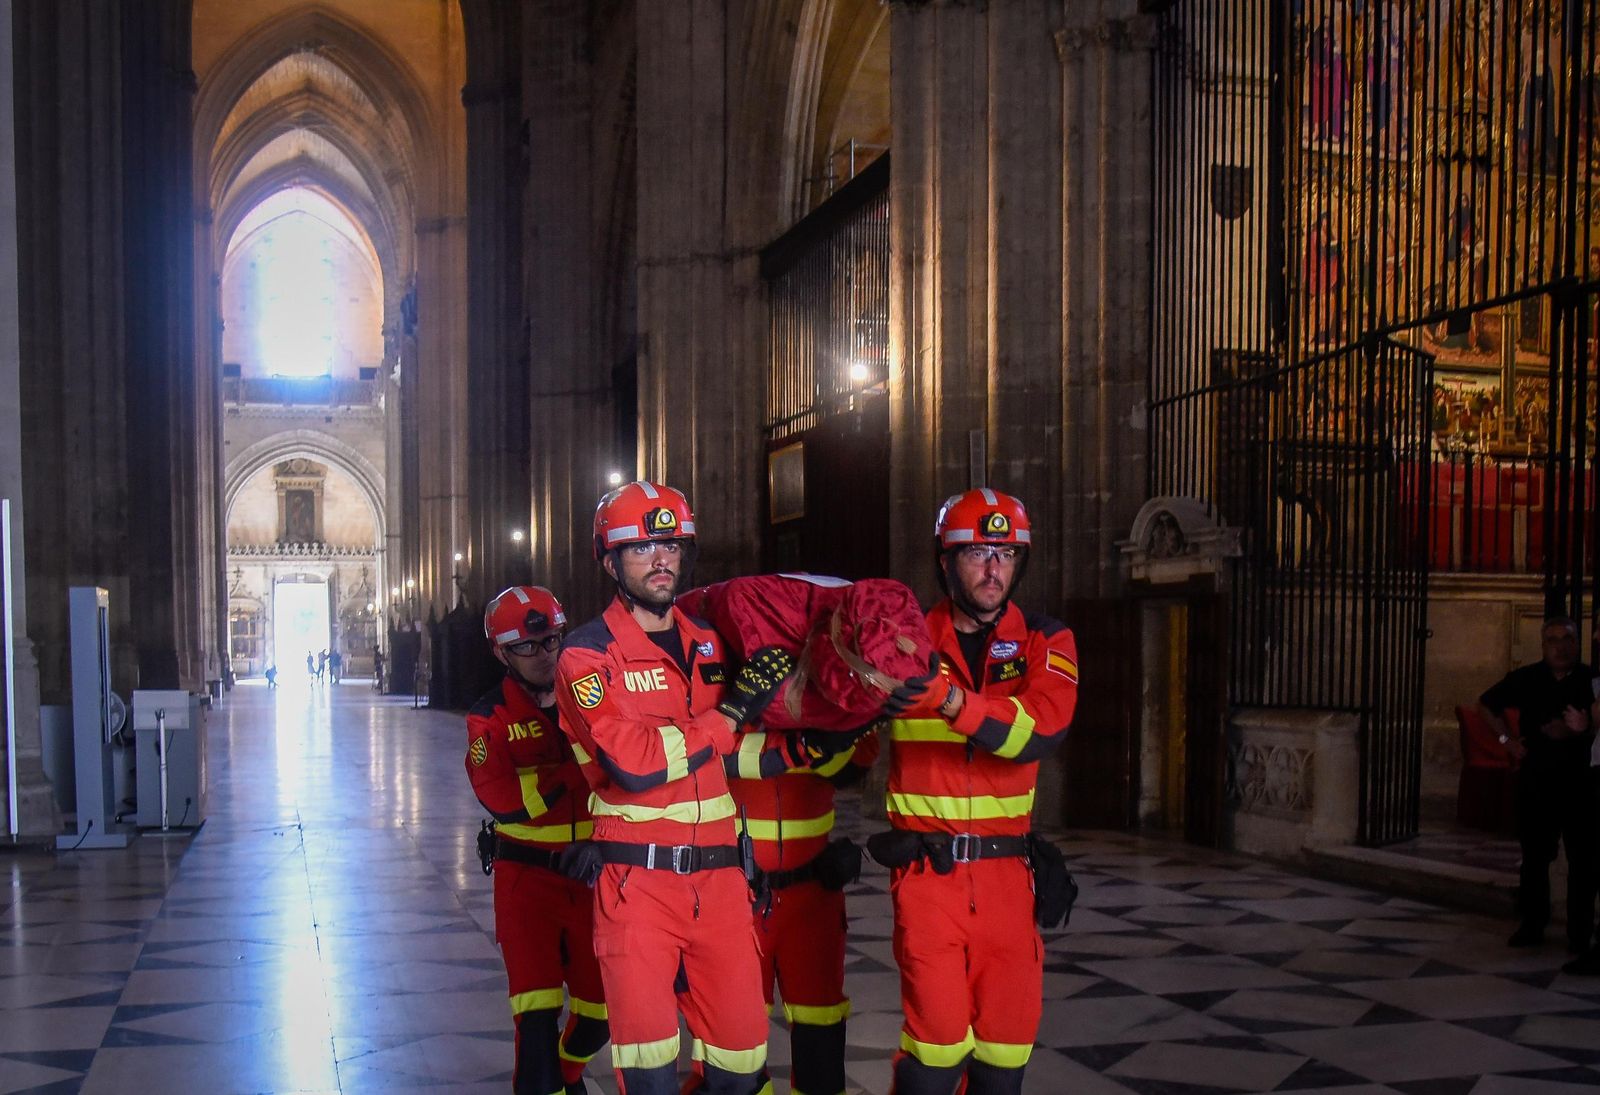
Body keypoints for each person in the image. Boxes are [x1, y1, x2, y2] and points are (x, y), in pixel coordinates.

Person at [554, 480, 792, 1095]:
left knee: (742, 1068)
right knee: (652, 1074)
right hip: (638, 888)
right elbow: (632, 761)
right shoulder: (586, 655)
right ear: (610, 560)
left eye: (672, 545)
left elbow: (725, 754)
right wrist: (732, 713)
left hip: (721, 884)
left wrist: (807, 746)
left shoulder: (708, 642)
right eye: (642, 548)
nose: (662, 560)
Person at [871, 488, 1079, 1095]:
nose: (993, 569)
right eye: (977, 554)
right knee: (933, 1057)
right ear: (945, 561)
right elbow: (851, 731)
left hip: (1010, 883)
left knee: (1002, 1060)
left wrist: (950, 700)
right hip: (928, 879)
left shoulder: (1048, 640)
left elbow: (1040, 731)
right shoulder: (903, 643)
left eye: (1006, 555)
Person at [468, 585, 608, 1095]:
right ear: (500, 652)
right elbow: (501, 795)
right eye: (527, 647)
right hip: (526, 883)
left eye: (551, 641)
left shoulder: (592, 696)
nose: (544, 655)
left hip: (593, 877)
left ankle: (568, 1074)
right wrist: (580, 766)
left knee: (601, 1013)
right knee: (536, 1016)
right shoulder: (489, 717)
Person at [723, 720, 876, 1095]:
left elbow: (858, 761)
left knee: (820, 1030)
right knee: (732, 1041)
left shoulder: (825, 697)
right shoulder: (723, 688)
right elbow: (705, 751)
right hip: (737, 897)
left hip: (813, 897)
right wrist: (797, 743)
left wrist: (809, 725)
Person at [1479, 617, 1596, 952]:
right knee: (1534, 857)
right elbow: (1486, 705)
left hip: (1581, 781)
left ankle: (1580, 932)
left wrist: (1582, 728)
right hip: (1537, 778)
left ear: (1577, 642)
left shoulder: (1592, 680)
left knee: (1583, 860)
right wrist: (1507, 740)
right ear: (1543, 645)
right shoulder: (1526, 678)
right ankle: (1532, 924)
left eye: (1567, 639)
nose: (1560, 646)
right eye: (1552, 639)